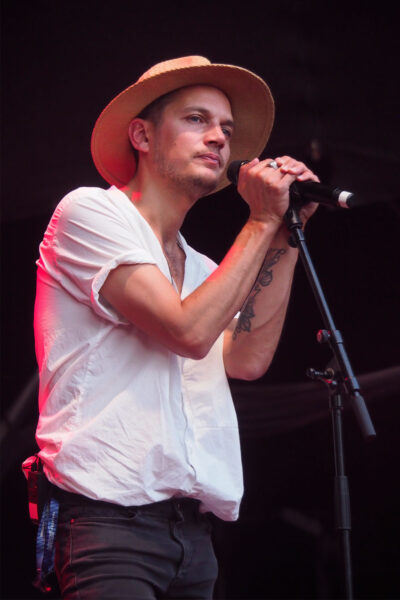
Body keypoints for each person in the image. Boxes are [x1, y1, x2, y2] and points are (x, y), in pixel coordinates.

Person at [30, 55, 319, 599]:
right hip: (106, 524)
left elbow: (246, 360)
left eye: (227, 129)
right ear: (141, 134)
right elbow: (187, 331)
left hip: (191, 533)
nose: (218, 139)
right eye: (196, 120)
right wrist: (259, 221)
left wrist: (283, 237)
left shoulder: (206, 269)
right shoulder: (89, 213)